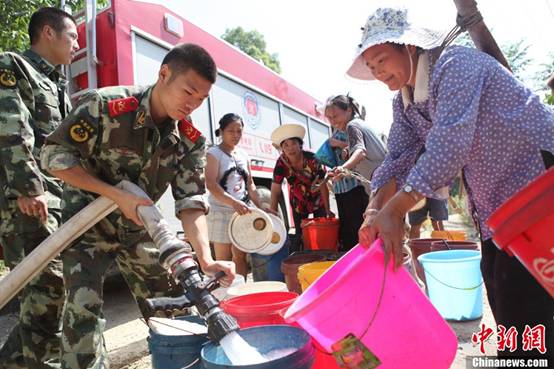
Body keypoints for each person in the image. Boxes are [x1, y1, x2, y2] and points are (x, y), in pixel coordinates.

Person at [350, 7, 554, 359]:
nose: (378, 72)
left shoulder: (456, 65)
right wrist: (374, 211)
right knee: (500, 289)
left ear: (409, 47)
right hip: (497, 209)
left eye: (382, 59)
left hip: (536, 183)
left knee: (522, 301)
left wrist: (397, 210)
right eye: (371, 67)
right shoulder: (405, 102)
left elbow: (450, 145)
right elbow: (396, 157)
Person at [40, 43, 235, 369]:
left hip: (139, 227)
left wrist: (205, 258)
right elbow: (53, 156)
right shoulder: (106, 106)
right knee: (82, 313)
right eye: (188, 91)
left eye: (201, 99)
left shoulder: (189, 139)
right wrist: (114, 194)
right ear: (163, 74)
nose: (192, 105)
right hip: (86, 224)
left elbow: (190, 202)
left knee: (175, 312)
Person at [0, 8, 78, 369]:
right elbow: (11, 129)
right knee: (50, 292)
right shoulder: (14, 66)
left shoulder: (58, 85)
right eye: (73, 36)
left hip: (57, 203)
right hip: (29, 203)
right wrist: (29, 189)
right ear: (48, 32)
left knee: (52, 298)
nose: (77, 45)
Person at [322, 95, 386, 251]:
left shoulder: (352, 126)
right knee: (386, 236)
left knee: (383, 238)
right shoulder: (360, 124)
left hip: (384, 188)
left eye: (335, 116)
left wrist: (344, 167)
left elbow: (361, 151)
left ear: (348, 110)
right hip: (384, 187)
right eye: (329, 118)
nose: (332, 121)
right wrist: (347, 157)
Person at [205, 113, 264, 278]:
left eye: (239, 131)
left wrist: (262, 207)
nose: (236, 135)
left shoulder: (243, 155)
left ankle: (242, 293)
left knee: (240, 257)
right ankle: (225, 299)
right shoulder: (214, 153)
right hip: (221, 212)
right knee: (223, 261)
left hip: (242, 212)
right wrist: (233, 203)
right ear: (222, 131)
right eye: (231, 131)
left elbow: (250, 184)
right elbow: (210, 184)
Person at [269, 124, 333, 253]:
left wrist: (328, 210)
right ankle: (301, 258)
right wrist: (273, 214)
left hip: (317, 201)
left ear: (300, 144)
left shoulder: (313, 159)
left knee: (321, 233)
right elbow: (275, 189)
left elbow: (323, 186)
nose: (290, 148)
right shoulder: (281, 163)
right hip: (298, 203)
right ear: (282, 148)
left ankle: (321, 258)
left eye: (293, 143)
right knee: (299, 235)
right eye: (285, 145)